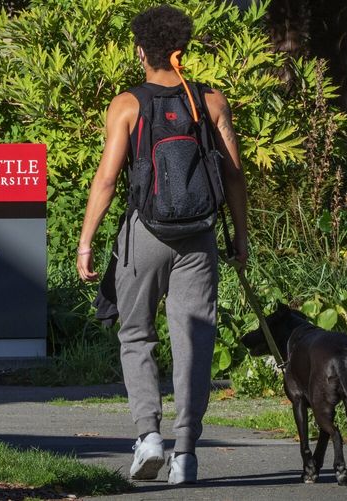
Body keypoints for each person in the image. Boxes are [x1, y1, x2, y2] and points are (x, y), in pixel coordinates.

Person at [76, 5, 249, 485]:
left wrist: (86, 241)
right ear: (181, 51)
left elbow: (107, 179)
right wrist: (241, 237)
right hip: (198, 238)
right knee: (193, 340)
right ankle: (187, 453)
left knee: (136, 335)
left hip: (144, 234)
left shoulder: (127, 104)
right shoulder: (210, 101)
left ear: (142, 51)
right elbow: (234, 178)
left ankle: (148, 437)